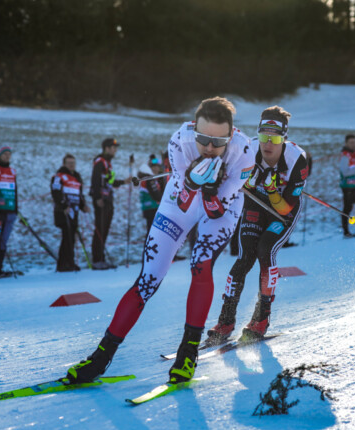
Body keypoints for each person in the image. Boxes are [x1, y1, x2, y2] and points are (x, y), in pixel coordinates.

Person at [65, 97, 254, 386]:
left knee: (200, 266)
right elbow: (181, 201)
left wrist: (211, 190)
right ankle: (102, 355)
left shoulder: (243, 152)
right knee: (148, 279)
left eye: (219, 142)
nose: (211, 148)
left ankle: (188, 350)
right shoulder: (180, 140)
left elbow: (216, 211)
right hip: (181, 201)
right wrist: (192, 182)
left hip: (222, 208)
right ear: (194, 130)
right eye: (203, 140)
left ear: (232, 135)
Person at [207, 106, 308, 344]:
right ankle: (225, 320)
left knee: (266, 251)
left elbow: (285, 209)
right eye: (263, 137)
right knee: (244, 258)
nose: (267, 144)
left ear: (284, 138)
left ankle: (261, 317)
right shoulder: (248, 150)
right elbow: (227, 177)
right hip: (255, 206)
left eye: (273, 139)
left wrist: (271, 190)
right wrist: (241, 182)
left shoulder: (297, 160)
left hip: (282, 212)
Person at [90, 138, 130, 269]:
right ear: (106, 148)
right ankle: (97, 259)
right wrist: (97, 198)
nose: (115, 150)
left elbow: (109, 182)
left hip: (108, 200)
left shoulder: (108, 163)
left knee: (105, 229)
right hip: (102, 200)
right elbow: (95, 180)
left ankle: (101, 258)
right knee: (100, 230)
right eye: (113, 148)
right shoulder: (100, 162)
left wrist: (124, 182)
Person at [51, 154, 91, 272]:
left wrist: (83, 206)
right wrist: (63, 206)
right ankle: (63, 264)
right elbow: (55, 192)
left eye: (73, 162)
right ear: (64, 164)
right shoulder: (59, 176)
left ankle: (70, 262)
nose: (71, 165)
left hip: (75, 211)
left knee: (72, 237)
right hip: (63, 211)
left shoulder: (77, 177)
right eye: (69, 163)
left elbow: (80, 194)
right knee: (66, 237)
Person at [0, 146, 18, 278]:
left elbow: (15, 190)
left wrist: (16, 209)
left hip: (10, 211)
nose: (7, 156)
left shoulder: (12, 171)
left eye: (9, 154)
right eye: (4, 154)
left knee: (3, 240)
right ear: (0, 155)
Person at [137, 154, 167, 233]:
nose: (157, 169)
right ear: (151, 168)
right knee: (151, 232)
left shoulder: (152, 177)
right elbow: (156, 195)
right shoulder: (149, 179)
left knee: (152, 232)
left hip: (151, 208)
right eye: (155, 167)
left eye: (158, 167)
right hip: (151, 208)